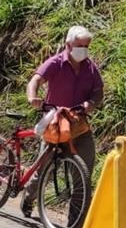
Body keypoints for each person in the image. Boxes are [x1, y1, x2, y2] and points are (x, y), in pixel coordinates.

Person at [21, 25, 103, 217]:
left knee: (83, 174)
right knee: (43, 170)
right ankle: (29, 197)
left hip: (78, 125)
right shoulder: (56, 63)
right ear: (68, 44)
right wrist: (32, 97)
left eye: (86, 46)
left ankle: (75, 220)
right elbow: (35, 81)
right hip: (55, 124)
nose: (83, 49)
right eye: (79, 45)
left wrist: (91, 103)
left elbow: (98, 92)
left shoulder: (90, 68)